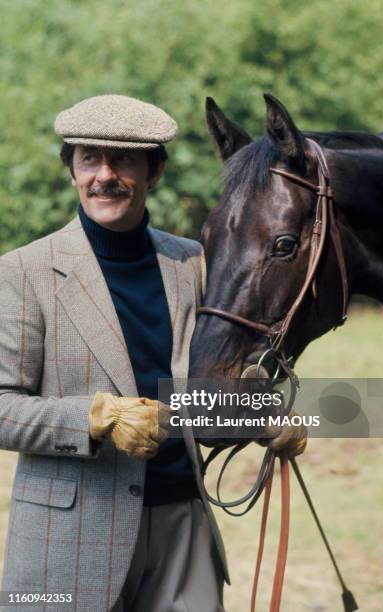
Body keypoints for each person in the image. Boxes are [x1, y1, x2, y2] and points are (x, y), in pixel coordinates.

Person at [0, 94, 306, 612]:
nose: (104, 175)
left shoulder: (192, 261)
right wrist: (94, 417)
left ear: (154, 171)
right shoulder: (22, 271)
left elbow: (211, 386)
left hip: (183, 524)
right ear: (72, 170)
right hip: (68, 541)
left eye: (124, 159)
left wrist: (265, 414)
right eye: (89, 158)